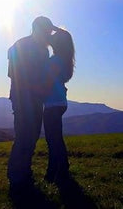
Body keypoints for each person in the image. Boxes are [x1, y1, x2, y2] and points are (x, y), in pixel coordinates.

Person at [7, 16, 57, 193]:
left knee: (31, 135)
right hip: (24, 99)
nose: (49, 34)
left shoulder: (38, 49)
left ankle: (22, 174)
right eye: (47, 30)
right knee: (24, 135)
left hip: (31, 98)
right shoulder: (25, 46)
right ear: (38, 29)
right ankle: (17, 177)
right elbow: (15, 73)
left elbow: (12, 73)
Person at [41, 27, 75, 184]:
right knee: (56, 138)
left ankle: (53, 172)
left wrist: (37, 92)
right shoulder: (64, 59)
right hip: (60, 102)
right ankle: (61, 169)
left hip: (52, 103)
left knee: (52, 140)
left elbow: (47, 82)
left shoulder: (54, 61)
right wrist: (53, 28)